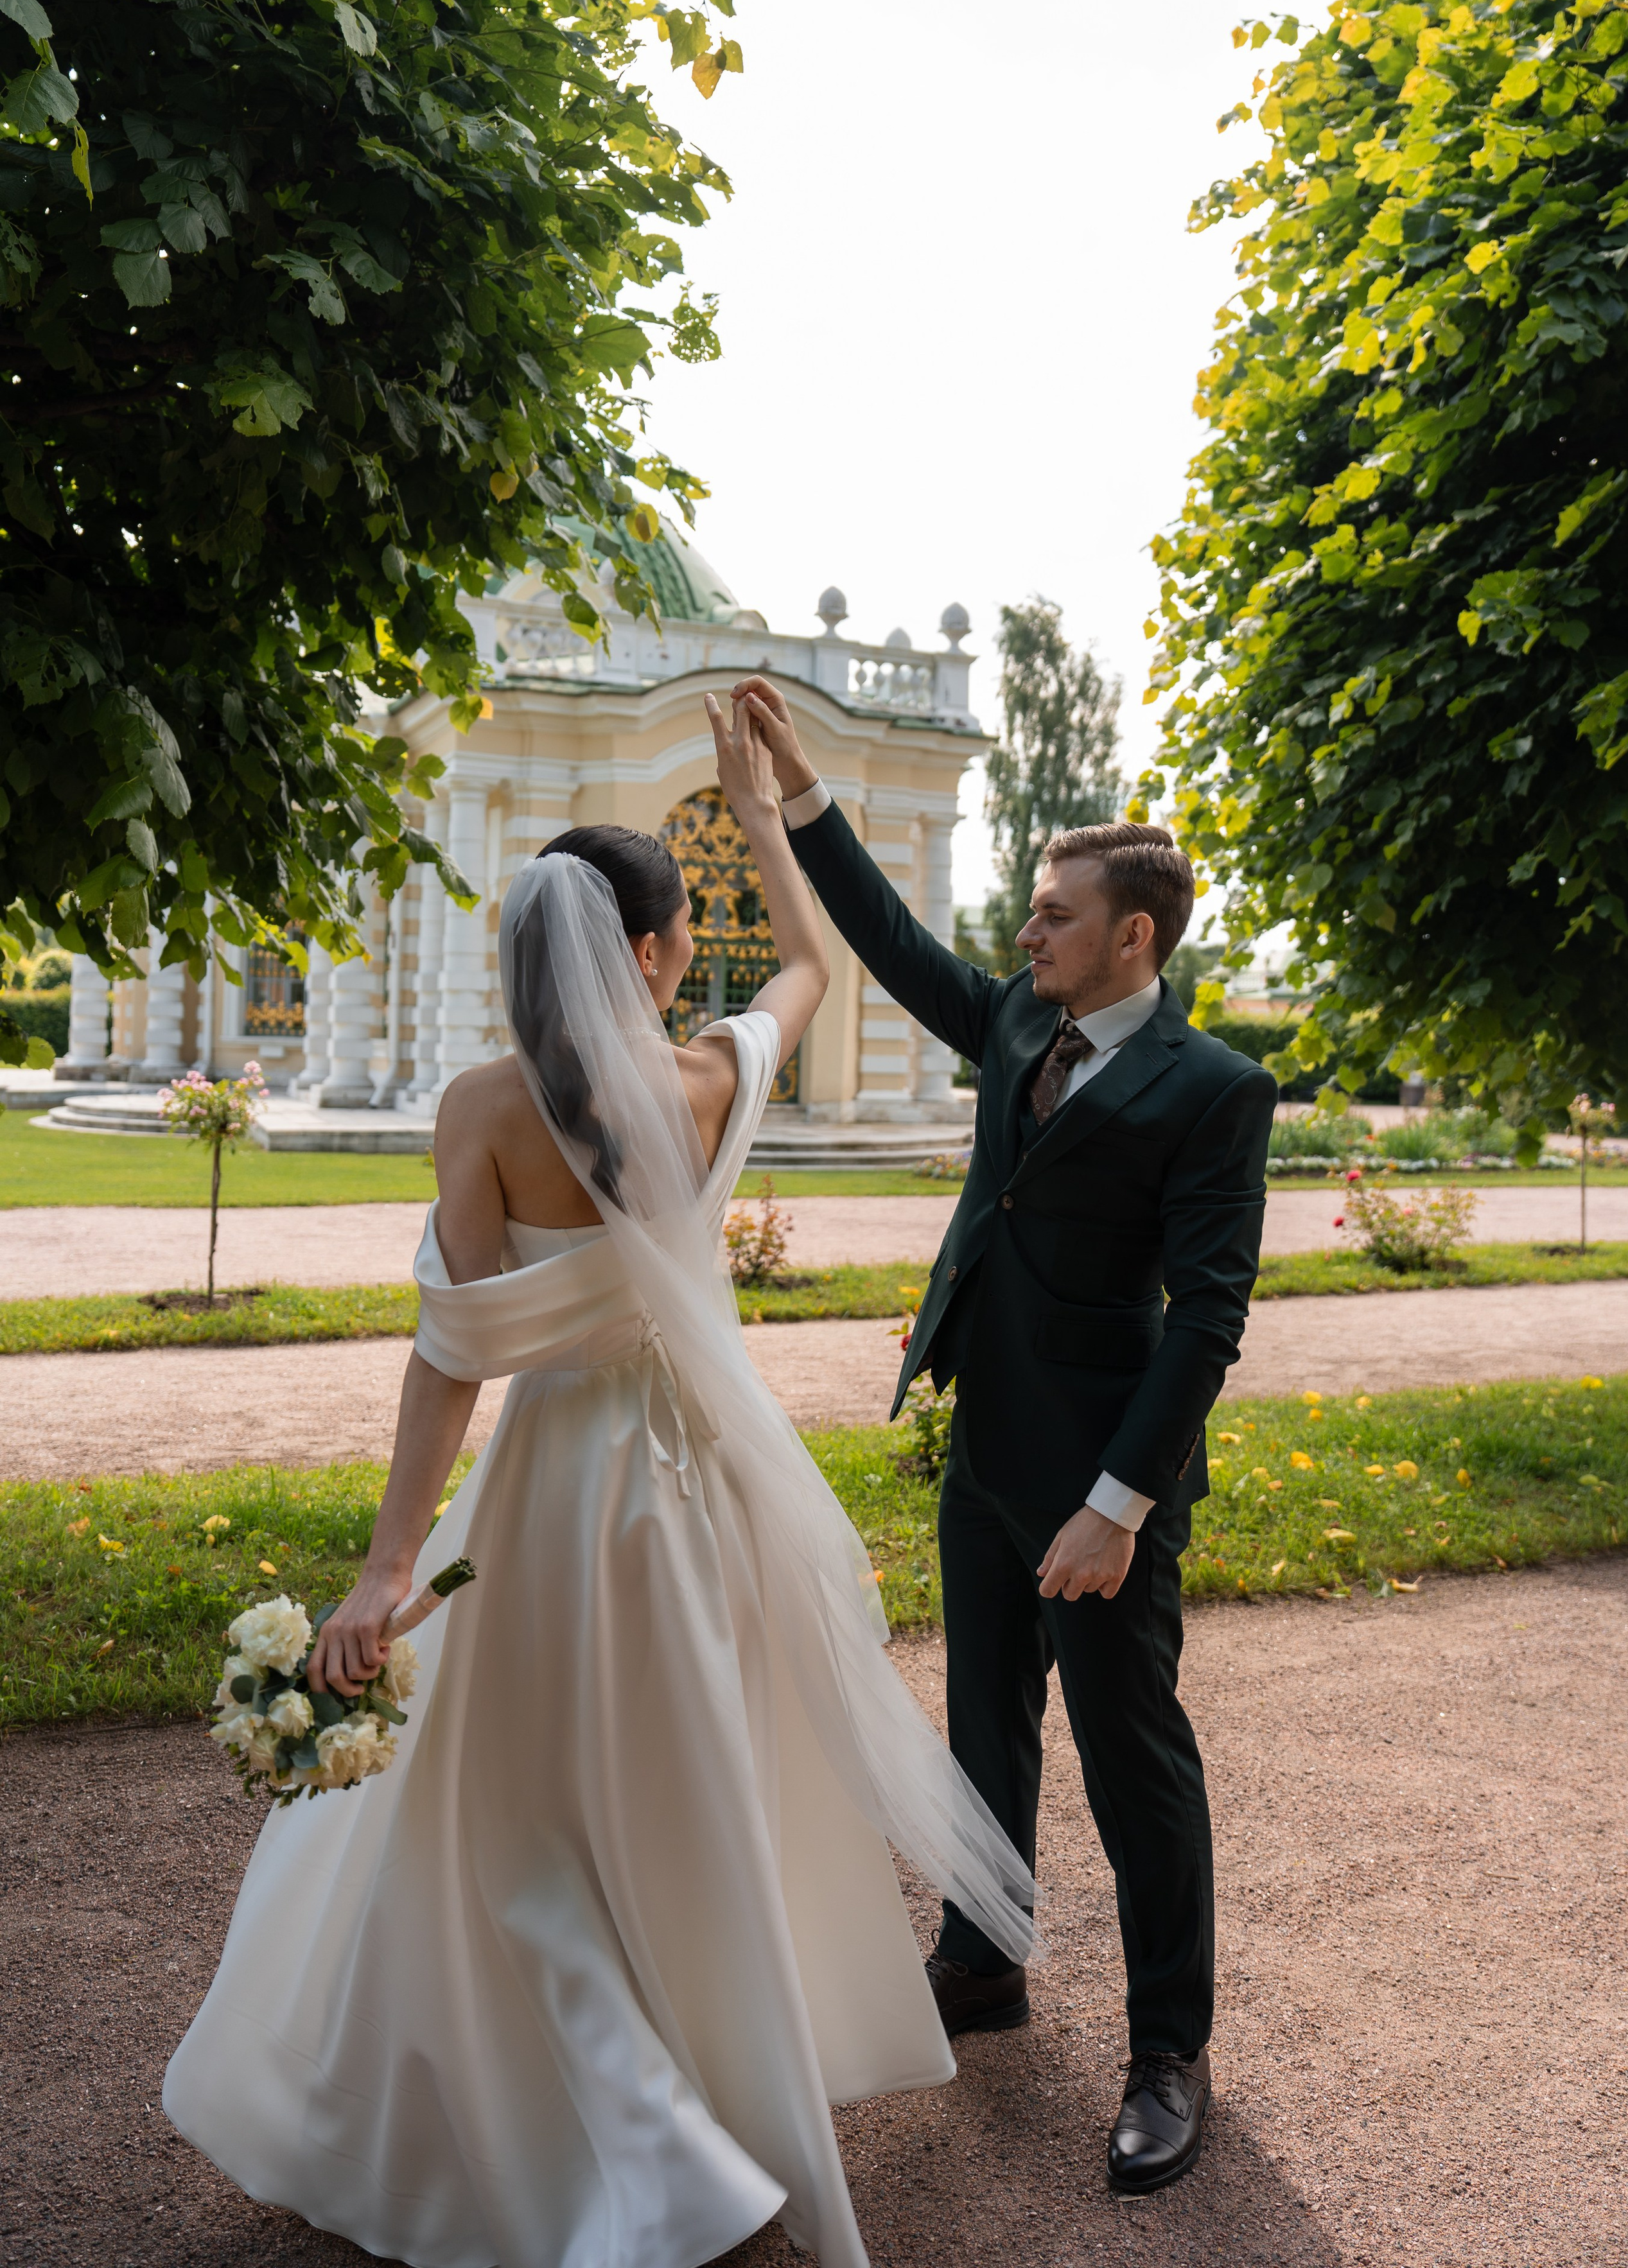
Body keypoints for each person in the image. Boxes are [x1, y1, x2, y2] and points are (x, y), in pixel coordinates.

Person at [163, 692, 1036, 2268]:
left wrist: (384, 1571)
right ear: (641, 949)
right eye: (679, 927)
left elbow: (454, 1355)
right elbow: (811, 969)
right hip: (694, 1501)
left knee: (516, 1824)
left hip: (548, 1502)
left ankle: (617, 2130)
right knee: (686, 1795)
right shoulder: (709, 1082)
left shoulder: (482, 1112)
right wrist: (762, 812)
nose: (691, 948)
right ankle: (693, 2097)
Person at [726, 675, 1277, 2197]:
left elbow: (1207, 1323)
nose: (1024, 936)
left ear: (1131, 938)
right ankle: (983, 1955)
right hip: (985, 1456)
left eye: (1051, 915)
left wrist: (1117, 1507)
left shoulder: (1215, 1091)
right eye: (1031, 916)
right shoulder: (1017, 1020)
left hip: (1107, 1487)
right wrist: (800, 792)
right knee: (982, 1733)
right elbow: (892, 944)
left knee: (1130, 1760)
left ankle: (1169, 2049)